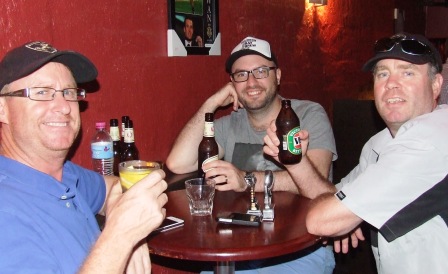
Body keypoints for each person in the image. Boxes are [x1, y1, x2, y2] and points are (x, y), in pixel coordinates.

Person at [263, 32, 448, 274]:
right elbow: (334, 196)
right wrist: (295, 161)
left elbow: (322, 220)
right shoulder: (379, 143)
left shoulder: (432, 138)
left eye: (407, 72)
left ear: (436, 85)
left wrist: (344, 216)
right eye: (383, 74)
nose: (391, 83)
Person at [167, 36, 337, 273]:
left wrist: (245, 179)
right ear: (232, 83)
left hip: (300, 247)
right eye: (241, 75)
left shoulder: (306, 115)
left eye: (260, 71)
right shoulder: (229, 125)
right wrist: (212, 102)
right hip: (237, 246)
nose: (251, 82)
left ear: (277, 76)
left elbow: (318, 179)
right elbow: (178, 162)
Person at [0, 41, 168, 273]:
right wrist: (122, 235)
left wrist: (130, 226)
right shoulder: (6, 211)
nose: (64, 106)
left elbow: (114, 187)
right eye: (41, 92)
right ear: (2, 108)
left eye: (69, 92)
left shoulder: (64, 174)